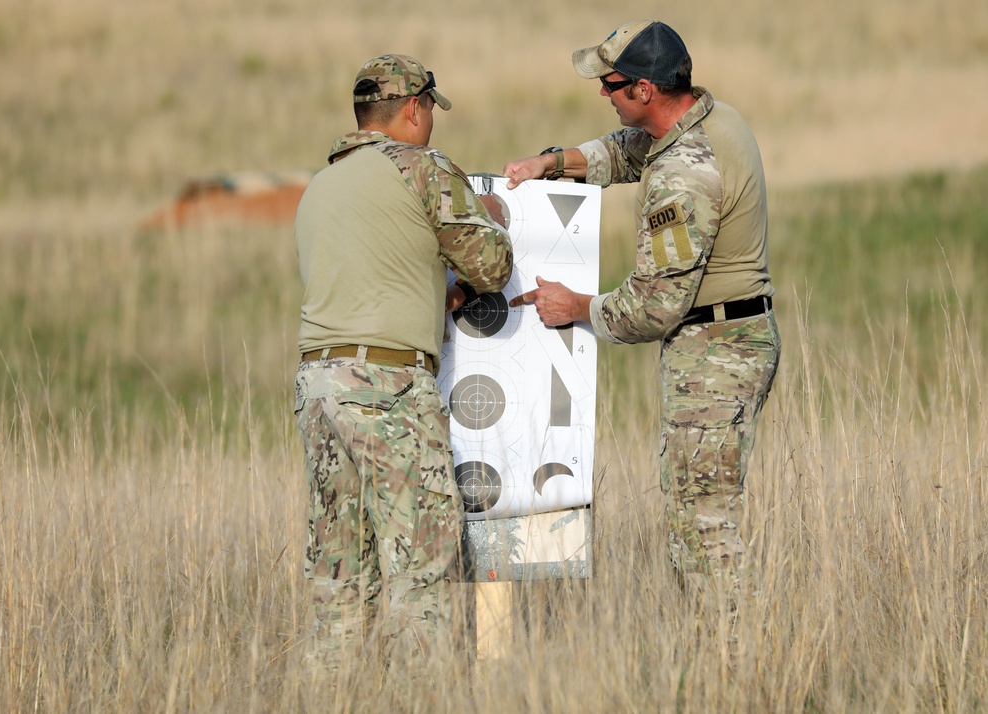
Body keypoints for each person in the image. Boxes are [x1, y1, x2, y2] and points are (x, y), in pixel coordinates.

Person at [503, 20, 780, 597]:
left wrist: (575, 306)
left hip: (714, 355)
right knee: (702, 509)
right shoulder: (709, 117)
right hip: (731, 339)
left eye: (612, 84)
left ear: (646, 90)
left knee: (701, 520)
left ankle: (726, 659)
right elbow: (628, 150)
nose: (603, 94)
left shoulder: (683, 175)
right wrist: (551, 162)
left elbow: (655, 306)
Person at [294, 54, 513, 670]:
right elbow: (491, 265)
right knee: (422, 572)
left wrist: (441, 293)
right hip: (388, 388)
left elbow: (375, 286)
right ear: (414, 109)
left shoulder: (322, 185)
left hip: (318, 385)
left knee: (340, 576)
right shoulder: (422, 169)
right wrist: (490, 221)